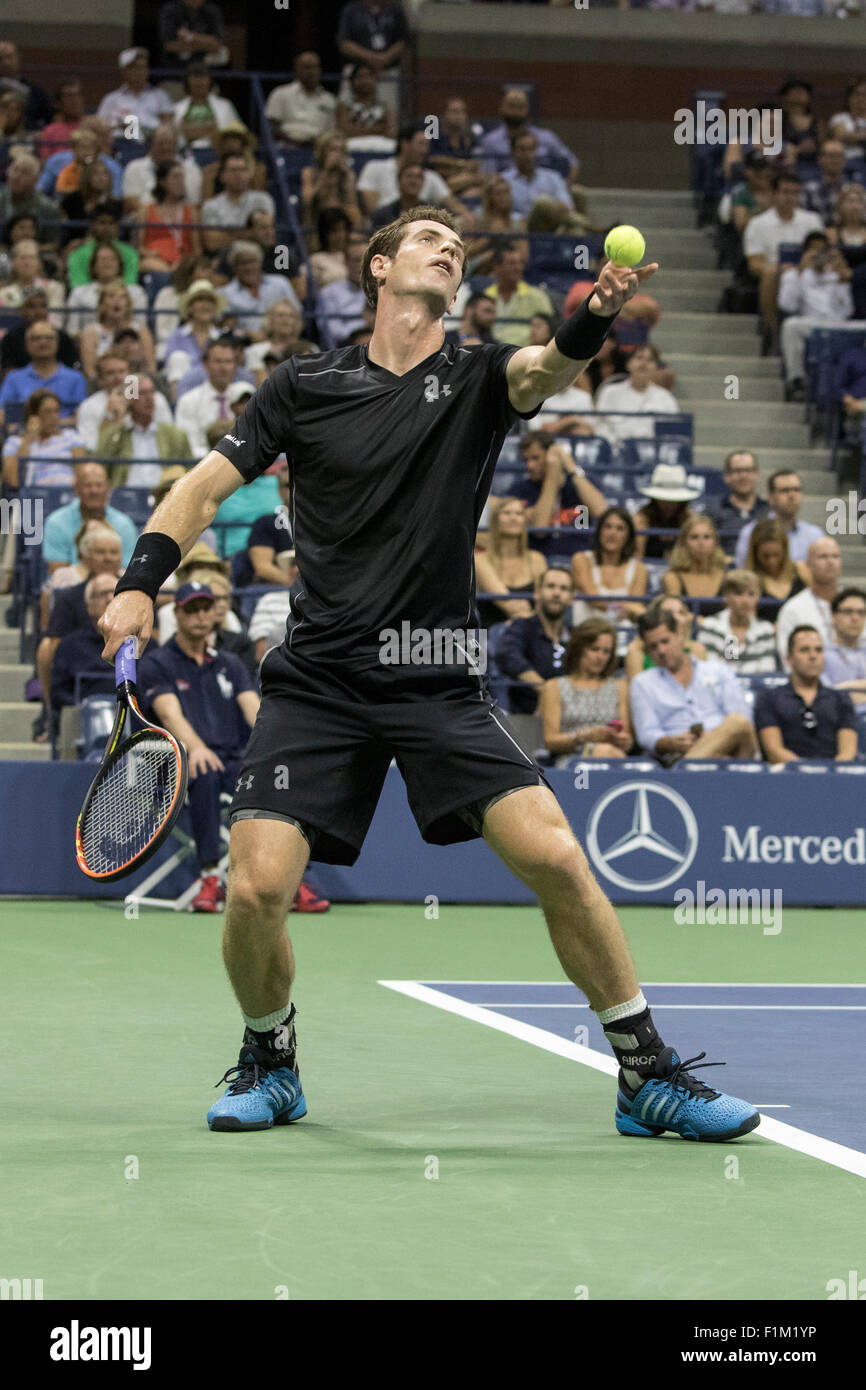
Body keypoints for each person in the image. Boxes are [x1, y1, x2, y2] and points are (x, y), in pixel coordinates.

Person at [99, 202, 758, 1142]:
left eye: (457, 245)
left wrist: (596, 312)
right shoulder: (304, 384)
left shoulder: (481, 372)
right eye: (426, 238)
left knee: (558, 859)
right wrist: (139, 583)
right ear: (378, 268)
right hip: (321, 677)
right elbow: (203, 487)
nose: (449, 248)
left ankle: (646, 1074)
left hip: (437, 672)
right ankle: (270, 1058)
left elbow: (547, 367)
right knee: (254, 888)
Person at [138, 581, 260, 912]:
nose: (200, 616)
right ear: (176, 613)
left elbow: (253, 710)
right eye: (191, 609)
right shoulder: (156, 664)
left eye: (206, 608)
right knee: (204, 772)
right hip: (180, 765)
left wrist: (275, 748)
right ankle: (209, 877)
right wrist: (196, 748)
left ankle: (290, 880)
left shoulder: (231, 664)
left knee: (274, 781)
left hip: (233, 761)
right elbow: (169, 713)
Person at [629, 607, 757, 763]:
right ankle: (693, 765)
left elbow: (742, 719)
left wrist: (712, 740)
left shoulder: (718, 670)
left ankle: (687, 769)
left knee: (739, 722)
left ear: (680, 636)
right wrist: (670, 742)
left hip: (729, 750)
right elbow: (646, 734)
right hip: (675, 752)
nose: (661, 650)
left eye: (665, 641)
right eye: (653, 647)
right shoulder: (643, 683)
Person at [754, 626, 858, 763]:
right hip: (787, 776)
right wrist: (805, 772)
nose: (813, 656)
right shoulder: (769, 698)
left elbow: (847, 753)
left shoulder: (841, 699)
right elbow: (774, 751)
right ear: (789, 658)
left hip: (833, 778)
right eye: (804, 650)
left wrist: (828, 775)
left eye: (818, 650)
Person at [743, 170, 823, 345]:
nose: (790, 197)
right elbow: (755, 264)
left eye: (795, 193)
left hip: (808, 271)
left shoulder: (812, 221)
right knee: (771, 272)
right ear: (774, 194)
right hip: (777, 274)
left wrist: (805, 265)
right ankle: (773, 330)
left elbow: (822, 253)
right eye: (786, 192)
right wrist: (782, 268)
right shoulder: (758, 224)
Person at [51, 571, 150, 711]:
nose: (110, 599)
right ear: (89, 605)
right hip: (82, 721)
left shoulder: (145, 644)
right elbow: (58, 694)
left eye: (115, 594)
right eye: (102, 594)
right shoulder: (69, 646)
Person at [538, 617, 632, 764]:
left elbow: (626, 739)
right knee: (604, 753)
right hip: (571, 760)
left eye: (606, 651)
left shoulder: (620, 686)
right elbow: (550, 741)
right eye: (594, 649)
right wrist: (583, 738)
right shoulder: (554, 687)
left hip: (612, 756)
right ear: (579, 649)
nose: (600, 657)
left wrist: (622, 740)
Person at [777, 231, 854, 394]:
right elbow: (786, 305)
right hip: (811, 324)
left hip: (837, 324)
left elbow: (847, 311)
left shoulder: (836, 275)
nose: (819, 254)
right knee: (790, 326)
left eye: (822, 250)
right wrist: (799, 271)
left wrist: (842, 282)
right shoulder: (793, 274)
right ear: (805, 253)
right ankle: (796, 380)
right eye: (814, 250)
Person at [495, 566, 573, 714]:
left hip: (568, 711)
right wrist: (544, 689)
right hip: (526, 715)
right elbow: (507, 655)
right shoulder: (521, 627)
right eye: (551, 586)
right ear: (537, 593)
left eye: (564, 588)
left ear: (570, 597)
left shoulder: (574, 634)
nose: (557, 593)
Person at [96, 371, 193, 487]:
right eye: (142, 393)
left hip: (164, 496)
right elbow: (101, 465)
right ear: (129, 399)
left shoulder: (175, 436)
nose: (149, 398)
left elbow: (191, 473)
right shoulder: (117, 435)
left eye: (151, 392)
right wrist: (120, 417)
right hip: (126, 496)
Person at [41, 460, 140, 570]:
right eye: (88, 485)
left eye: (99, 485)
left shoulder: (124, 524)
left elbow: (127, 569)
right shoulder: (56, 522)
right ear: (77, 488)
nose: (94, 490)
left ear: (108, 488)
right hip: (71, 584)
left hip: (114, 585)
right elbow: (57, 571)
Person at [474, 496, 548, 630]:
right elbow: (507, 603)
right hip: (492, 632)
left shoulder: (537, 559)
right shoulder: (481, 559)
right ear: (495, 520)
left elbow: (542, 602)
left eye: (519, 513)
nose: (513, 517)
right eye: (507, 513)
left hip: (530, 631)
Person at [507, 431, 607, 529]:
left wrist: (572, 468)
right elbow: (540, 528)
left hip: (581, 545)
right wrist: (551, 479)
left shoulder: (583, 482)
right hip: (539, 546)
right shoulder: (520, 489)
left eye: (535, 458)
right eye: (526, 460)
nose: (529, 466)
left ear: (551, 455)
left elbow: (601, 512)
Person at [478, 87, 580, 184]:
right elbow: (488, 175)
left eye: (520, 107)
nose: (515, 111)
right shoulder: (490, 141)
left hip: (544, 193)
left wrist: (564, 188)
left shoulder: (547, 137)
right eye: (511, 106)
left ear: (527, 109)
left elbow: (572, 162)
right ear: (501, 108)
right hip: (506, 194)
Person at [356, 124, 458, 218]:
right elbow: (373, 212)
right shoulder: (374, 168)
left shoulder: (431, 176)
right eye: (421, 144)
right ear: (405, 144)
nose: (425, 151)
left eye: (427, 145)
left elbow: (454, 205)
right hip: (384, 225)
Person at [0, 322, 87, 428]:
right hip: (22, 437)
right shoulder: (13, 378)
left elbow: (82, 417)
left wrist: (44, 426)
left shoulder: (76, 378)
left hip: (64, 437)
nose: (43, 342)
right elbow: (2, 414)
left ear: (57, 343)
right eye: (36, 338)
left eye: (49, 338)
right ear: (27, 344)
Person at [734, 470, 825, 569]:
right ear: (771, 497)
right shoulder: (751, 532)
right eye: (785, 490)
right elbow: (743, 572)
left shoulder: (815, 535)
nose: (792, 496)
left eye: (797, 489)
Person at [570, 506, 648, 623]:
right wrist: (624, 607)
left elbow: (637, 608)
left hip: (623, 635)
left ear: (628, 535)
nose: (612, 533)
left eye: (620, 528)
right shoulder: (581, 559)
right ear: (599, 531)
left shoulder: (639, 568)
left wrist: (630, 609)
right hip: (585, 631)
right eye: (607, 526)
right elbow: (593, 599)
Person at [593, 344, 680, 445]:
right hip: (614, 451)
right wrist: (614, 446)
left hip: (652, 453)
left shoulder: (666, 398)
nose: (643, 364)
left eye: (650, 360)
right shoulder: (610, 392)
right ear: (628, 363)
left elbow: (671, 433)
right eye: (639, 358)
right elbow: (599, 424)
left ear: (656, 368)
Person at [776, 536, 843, 666]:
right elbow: (787, 658)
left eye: (835, 556)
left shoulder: (856, 606)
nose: (830, 562)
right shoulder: (792, 609)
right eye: (823, 556)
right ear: (808, 565)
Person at [1, 388, 88, 488]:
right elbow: (14, 481)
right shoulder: (13, 443)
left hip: (67, 495)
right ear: (33, 416)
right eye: (47, 412)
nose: (54, 417)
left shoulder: (72, 438)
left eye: (56, 411)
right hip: (34, 498)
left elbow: (82, 477)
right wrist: (29, 439)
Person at [696, 570, 778, 675]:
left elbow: (767, 671)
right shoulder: (710, 626)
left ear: (758, 597)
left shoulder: (765, 630)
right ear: (726, 596)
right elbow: (709, 670)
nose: (745, 601)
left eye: (751, 594)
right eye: (738, 593)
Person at [335, 0, 409, 112]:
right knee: (347, 109)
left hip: (386, 72)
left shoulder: (396, 10)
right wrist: (371, 58)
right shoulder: (352, 10)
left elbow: (403, 41)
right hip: (356, 72)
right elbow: (344, 43)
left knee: (388, 110)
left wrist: (384, 58)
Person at [174, 339, 244, 455]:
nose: (224, 368)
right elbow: (188, 445)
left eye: (228, 362)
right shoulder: (188, 401)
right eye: (218, 361)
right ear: (206, 365)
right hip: (202, 465)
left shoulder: (246, 397)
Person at [79, 281, 157, 380]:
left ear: (128, 304)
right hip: (103, 385)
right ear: (102, 304)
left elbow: (151, 368)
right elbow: (90, 372)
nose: (117, 301)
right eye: (111, 297)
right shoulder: (91, 332)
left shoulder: (141, 330)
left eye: (122, 297)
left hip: (136, 385)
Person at [483, 241, 554, 348]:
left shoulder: (538, 297)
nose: (518, 268)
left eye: (520, 263)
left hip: (525, 354)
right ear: (497, 267)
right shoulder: (485, 296)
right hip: (490, 354)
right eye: (511, 263)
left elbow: (549, 332)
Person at [623, 593, 708, 682]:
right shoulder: (637, 650)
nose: (677, 618)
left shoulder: (697, 649)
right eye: (669, 613)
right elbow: (637, 690)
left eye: (681, 612)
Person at [122, 123, 203, 214]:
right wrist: (161, 217)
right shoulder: (134, 168)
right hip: (146, 223)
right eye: (161, 143)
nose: (166, 148)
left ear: (176, 144)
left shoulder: (191, 168)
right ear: (151, 145)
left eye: (169, 143)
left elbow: (195, 203)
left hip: (183, 222)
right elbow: (131, 203)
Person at [234, 462, 294, 586]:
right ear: (279, 491)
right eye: (288, 485)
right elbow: (263, 567)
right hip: (277, 592)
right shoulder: (266, 523)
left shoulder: (323, 521)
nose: (294, 490)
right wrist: (297, 585)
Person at [201, 154, 275, 253]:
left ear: (249, 174)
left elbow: (267, 235)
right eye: (233, 170)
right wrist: (251, 233)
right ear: (222, 176)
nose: (238, 174)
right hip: (224, 257)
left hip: (260, 254)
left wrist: (227, 233)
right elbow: (212, 243)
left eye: (243, 170)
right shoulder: (210, 205)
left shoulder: (263, 199)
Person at [222, 240, 300, 333]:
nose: (248, 267)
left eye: (252, 261)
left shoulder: (280, 283)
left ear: (260, 262)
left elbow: (297, 314)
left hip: (283, 339)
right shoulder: (224, 294)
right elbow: (226, 329)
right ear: (234, 267)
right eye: (243, 263)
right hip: (245, 344)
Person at [702, 449, 769, 556]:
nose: (743, 476)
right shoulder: (712, 510)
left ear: (756, 474)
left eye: (748, 470)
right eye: (737, 471)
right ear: (726, 476)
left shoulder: (768, 511)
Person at [96, 48, 174, 139]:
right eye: (134, 68)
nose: (139, 72)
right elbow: (100, 127)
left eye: (142, 67)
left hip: (153, 144)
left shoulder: (160, 96)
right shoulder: (111, 99)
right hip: (122, 144)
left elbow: (169, 125)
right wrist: (119, 125)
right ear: (124, 71)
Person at [662, 513, 730, 618]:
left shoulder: (728, 577)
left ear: (715, 541)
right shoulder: (672, 578)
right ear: (683, 542)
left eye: (707, 537)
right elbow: (674, 612)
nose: (701, 543)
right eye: (694, 537)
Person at [502, 130, 575, 224]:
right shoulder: (504, 180)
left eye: (531, 149)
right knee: (542, 202)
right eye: (522, 149)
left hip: (550, 226)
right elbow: (499, 213)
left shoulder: (553, 177)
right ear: (512, 152)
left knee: (575, 231)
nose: (527, 155)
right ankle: (591, 228)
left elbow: (567, 206)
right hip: (519, 227)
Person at [265, 51, 336, 147]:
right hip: (287, 146)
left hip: (318, 148)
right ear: (296, 69)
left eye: (316, 67)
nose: (312, 72)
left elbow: (331, 130)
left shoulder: (329, 100)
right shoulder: (280, 93)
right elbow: (272, 126)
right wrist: (294, 141)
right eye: (307, 67)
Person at [631, 463, 700, 562]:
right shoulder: (640, 519)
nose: (668, 503)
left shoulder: (692, 520)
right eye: (663, 499)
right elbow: (636, 558)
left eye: (674, 500)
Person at [0, 286, 77, 372]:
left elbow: (72, 371)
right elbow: (8, 372)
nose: (39, 311)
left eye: (43, 306)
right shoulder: (11, 339)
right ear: (22, 310)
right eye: (32, 306)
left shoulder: (62, 337)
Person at [66, 203, 139, 290]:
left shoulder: (131, 254)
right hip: (87, 301)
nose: (107, 228)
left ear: (117, 226)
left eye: (111, 223)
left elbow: (130, 285)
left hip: (120, 300)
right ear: (92, 225)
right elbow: (78, 287)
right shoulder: (78, 255)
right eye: (102, 223)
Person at [173, 62, 240, 149]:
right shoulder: (176, 108)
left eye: (203, 76)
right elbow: (177, 136)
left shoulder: (225, 106)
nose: (199, 81)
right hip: (186, 155)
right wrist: (210, 130)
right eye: (195, 77)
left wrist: (192, 131)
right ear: (187, 81)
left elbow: (234, 134)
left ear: (210, 80)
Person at [318, 233, 369, 344]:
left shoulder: (383, 290)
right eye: (356, 260)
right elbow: (332, 331)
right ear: (345, 262)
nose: (361, 265)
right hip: (346, 348)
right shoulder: (329, 292)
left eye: (365, 260)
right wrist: (362, 334)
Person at [0, 154, 62, 245]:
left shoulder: (49, 207)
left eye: (24, 172)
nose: (16, 176)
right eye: (14, 170)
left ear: (36, 179)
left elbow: (53, 244)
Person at [0, 239, 65, 324]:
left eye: (31, 257)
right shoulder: (3, 293)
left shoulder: (54, 288)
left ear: (38, 262)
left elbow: (56, 321)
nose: (27, 263)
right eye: (22, 258)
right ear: (13, 263)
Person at [335, 60, 398, 146]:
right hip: (352, 150)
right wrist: (378, 129)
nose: (365, 80)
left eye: (369, 76)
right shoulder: (344, 106)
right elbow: (344, 132)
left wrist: (358, 129)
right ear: (352, 82)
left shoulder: (385, 108)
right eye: (361, 76)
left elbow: (392, 133)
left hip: (381, 150)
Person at [158, 0, 229, 71]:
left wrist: (190, 37)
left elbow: (216, 45)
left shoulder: (212, 10)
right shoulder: (171, 9)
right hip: (174, 70)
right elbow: (169, 45)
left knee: (223, 53)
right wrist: (205, 44)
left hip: (207, 71)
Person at [823, 587, 866, 700]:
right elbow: (825, 695)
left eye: (861, 612)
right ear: (833, 616)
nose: (855, 618)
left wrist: (844, 687)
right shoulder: (821, 654)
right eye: (848, 612)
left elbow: (836, 691)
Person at [803, 140, 854, 223]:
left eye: (839, 156)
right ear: (820, 159)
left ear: (845, 160)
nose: (835, 160)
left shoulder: (852, 189)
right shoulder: (809, 189)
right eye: (831, 155)